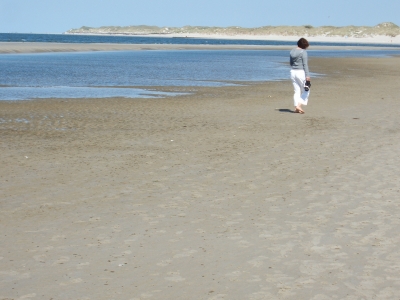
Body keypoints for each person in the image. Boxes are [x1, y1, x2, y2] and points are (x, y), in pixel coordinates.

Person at [290, 38, 310, 114]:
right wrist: (307, 75)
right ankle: (299, 105)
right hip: (300, 72)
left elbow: (291, 63)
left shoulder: (292, 51)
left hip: (293, 72)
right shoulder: (303, 52)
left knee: (297, 91)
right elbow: (305, 64)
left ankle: (296, 108)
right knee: (306, 90)